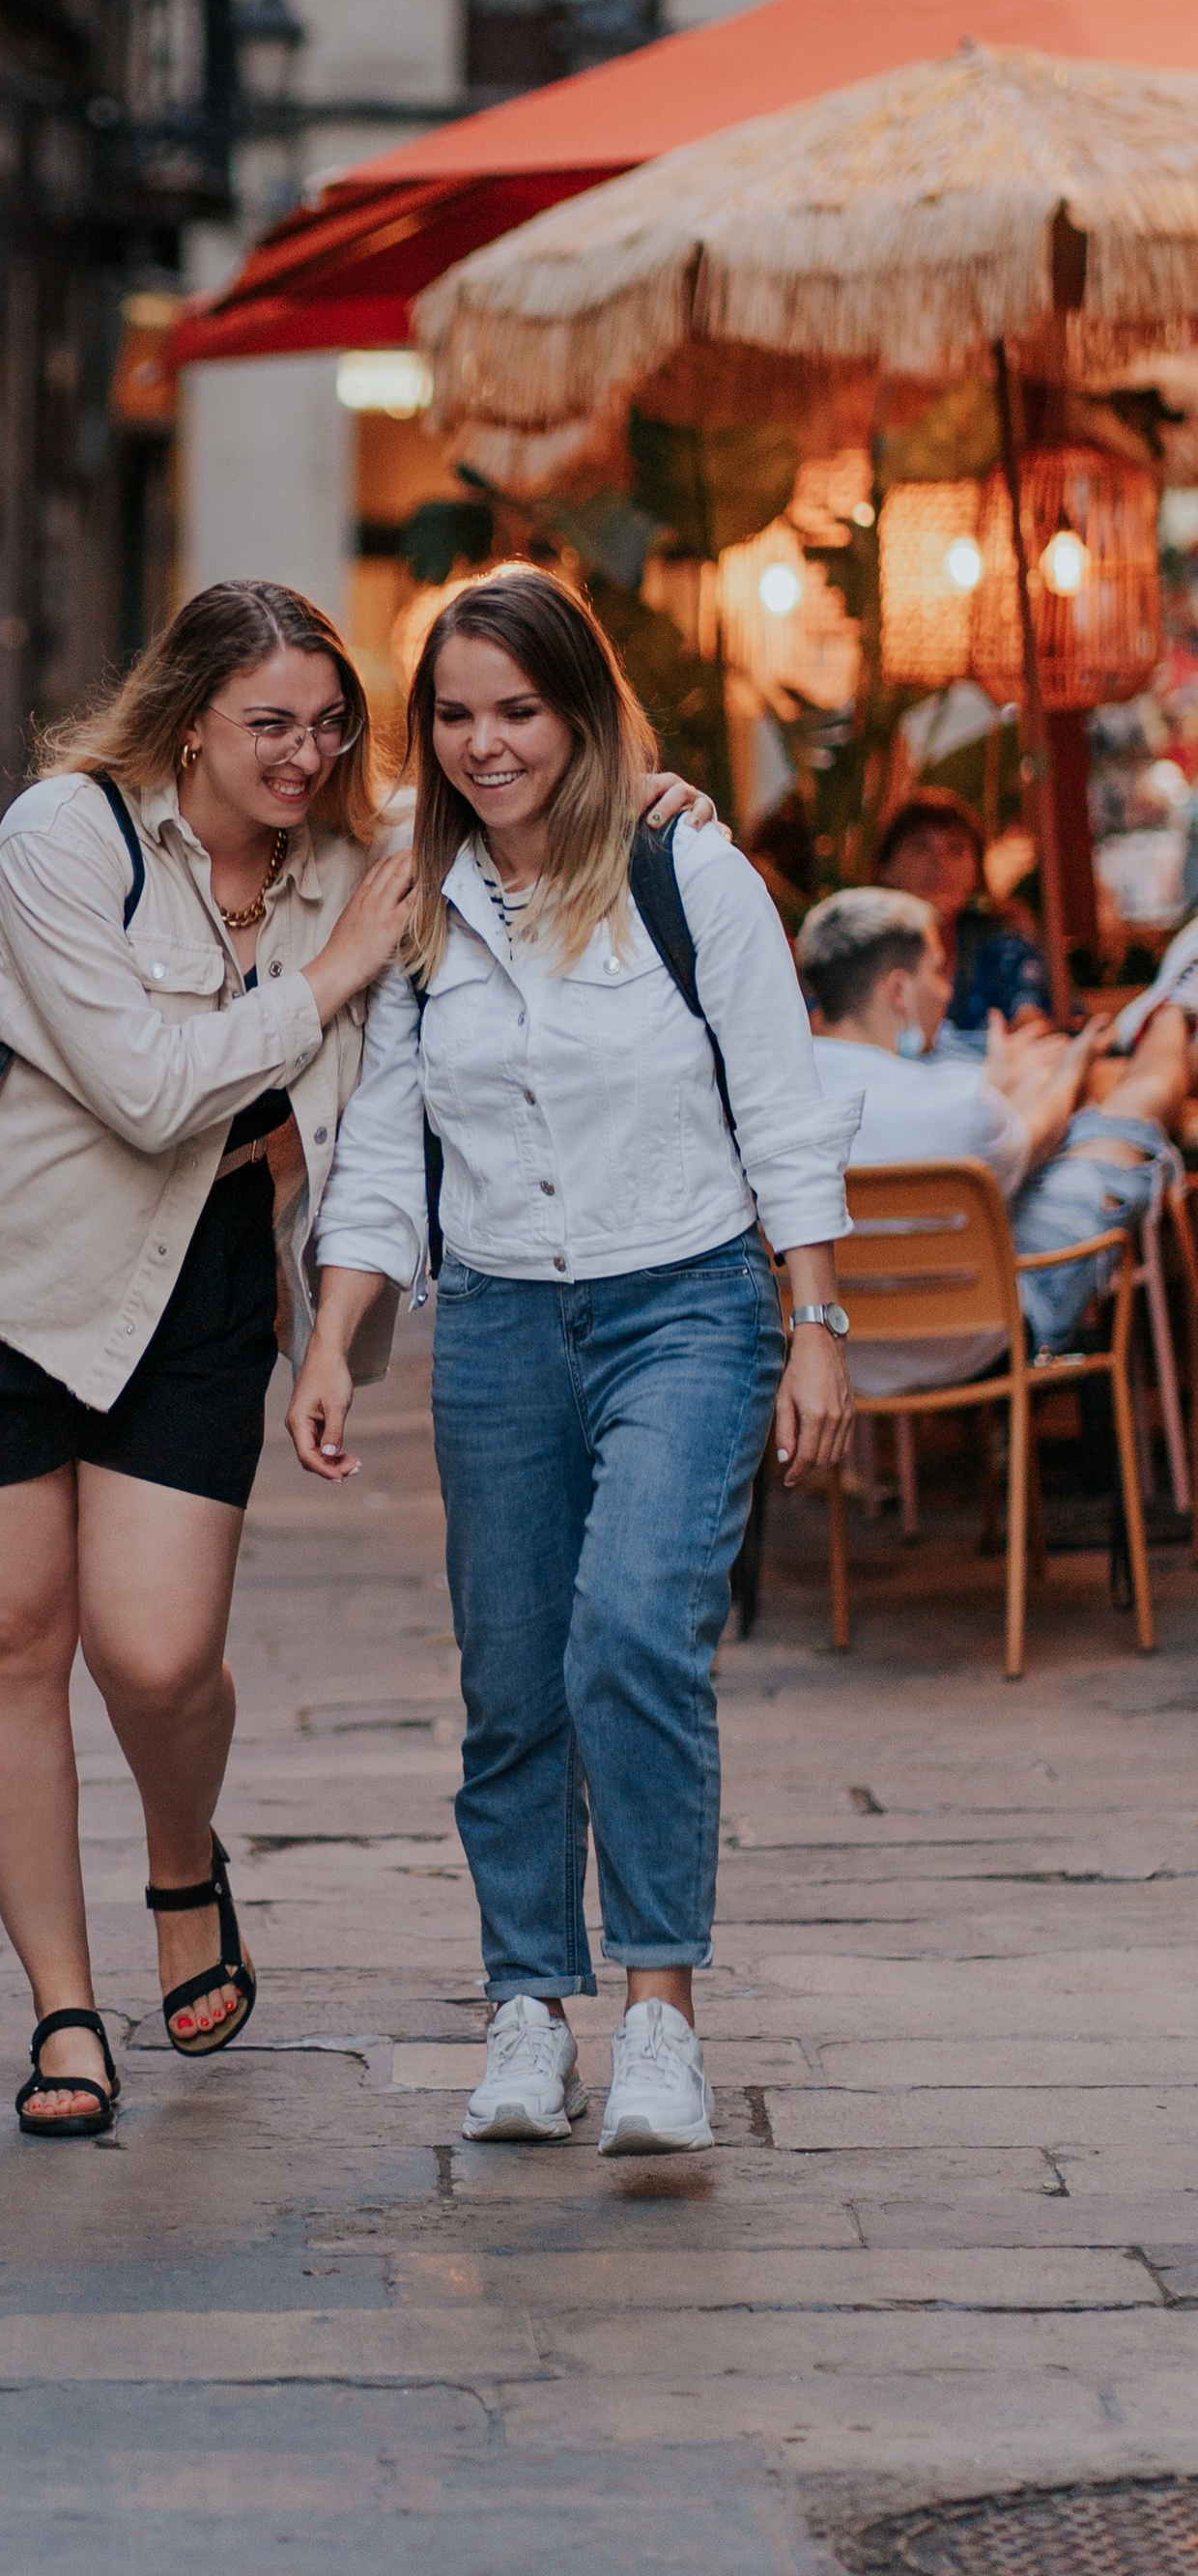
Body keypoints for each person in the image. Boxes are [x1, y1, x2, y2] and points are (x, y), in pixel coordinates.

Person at [0, 582, 418, 2138]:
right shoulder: (65, 837)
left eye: (330, 723)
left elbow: (539, 785)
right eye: (270, 724)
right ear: (191, 718)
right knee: (6, 1639)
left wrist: (667, 807)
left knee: (157, 1654)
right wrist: (334, 970)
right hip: (1, 1278)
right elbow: (151, 1093)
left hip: (195, 1283)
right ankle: (64, 2010)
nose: (305, 755)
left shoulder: (357, 857)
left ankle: (182, 1852)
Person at [288, 566, 858, 2162]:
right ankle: (528, 2008)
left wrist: (814, 1323)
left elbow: (782, 1103)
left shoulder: (686, 868)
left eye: (519, 710)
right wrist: (334, 1339)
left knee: (633, 1634)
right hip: (498, 1332)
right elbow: (392, 1147)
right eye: (456, 716)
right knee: (512, 1678)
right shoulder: (423, 898)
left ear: (584, 710)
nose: (486, 744)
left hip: (684, 1307)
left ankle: (660, 2016)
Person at [796, 884, 1188, 1394]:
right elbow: (1039, 1130)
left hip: (835, 1353)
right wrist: (1071, 1065)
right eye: (937, 971)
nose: (946, 991)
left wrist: (996, 1086)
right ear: (897, 991)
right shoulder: (955, 1105)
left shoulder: (769, 1098)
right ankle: (1173, 1014)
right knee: (1126, 1114)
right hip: (973, 1342)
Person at [875, 787, 1052, 1037]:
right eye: (921, 846)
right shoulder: (858, 949)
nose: (940, 862)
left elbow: (1030, 1018)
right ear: (886, 869)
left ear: (977, 873)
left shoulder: (1002, 945)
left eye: (956, 849)